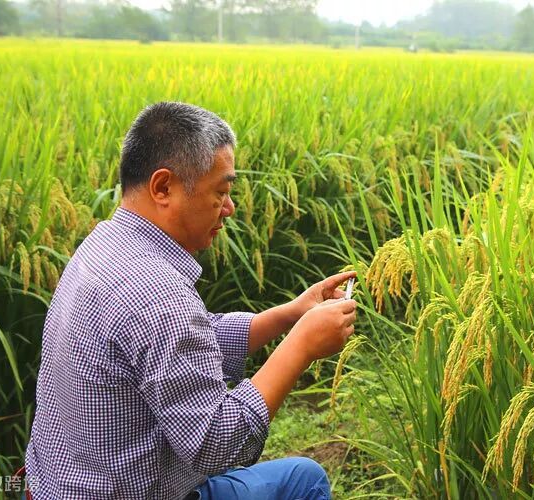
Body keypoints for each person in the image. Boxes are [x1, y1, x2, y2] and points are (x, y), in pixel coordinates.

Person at [23, 102, 357, 499]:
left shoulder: (103, 244)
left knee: (300, 476)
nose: (229, 208)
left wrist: (288, 315)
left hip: (54, 486)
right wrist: (301, 345)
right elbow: (217, 442)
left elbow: (178, 342)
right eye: (221, 192)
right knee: (306, 480)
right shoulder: (158, 294)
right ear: (163, 187)